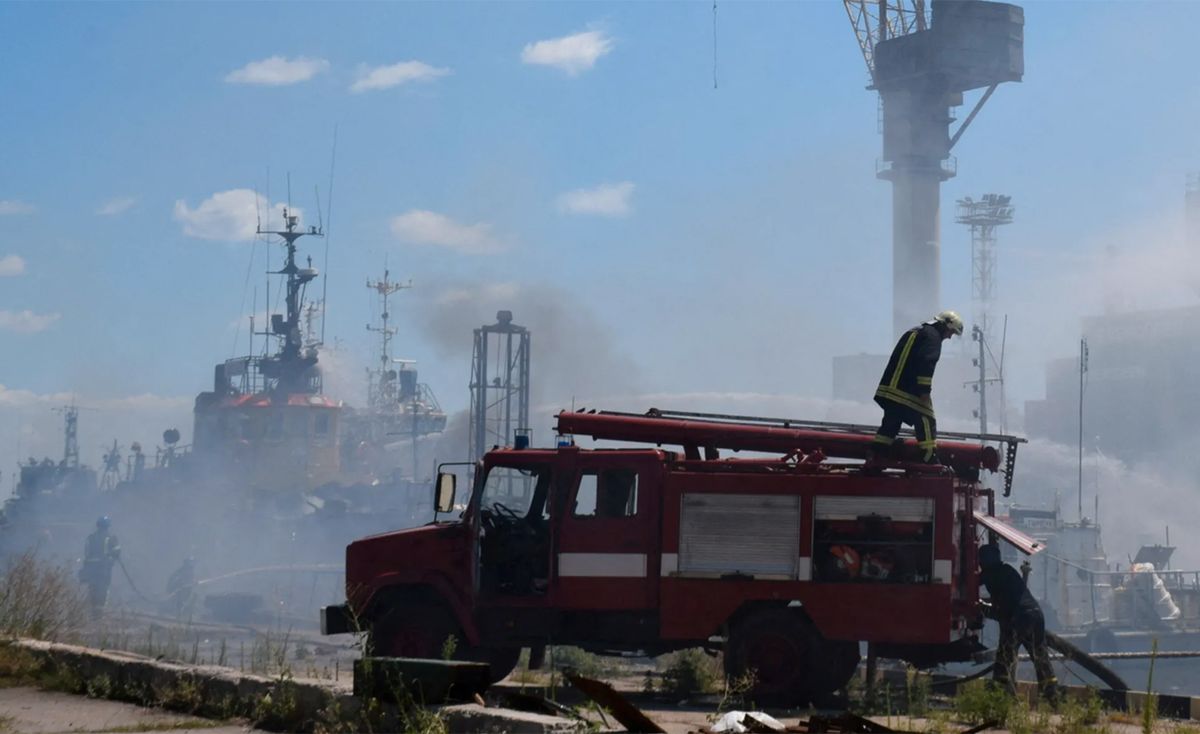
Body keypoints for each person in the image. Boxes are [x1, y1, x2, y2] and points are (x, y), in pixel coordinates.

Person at [871, 310, 963, 463]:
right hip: (907, 391)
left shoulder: (915, 331)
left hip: (890, 389)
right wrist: (924, 391)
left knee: (891, 422)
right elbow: (927, 363)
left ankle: (876, 454)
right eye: (951, 332)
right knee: (927, 417)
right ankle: (929, 458)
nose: (949, 336)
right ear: (946, 325)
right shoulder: (933, 338)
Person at [979, 543, 1059, 704]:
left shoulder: (989, 574)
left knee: (1004, 659)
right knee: (1041, 660)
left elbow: (971, 584)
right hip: (1036, 615)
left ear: (983, 561)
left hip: (1019, 618)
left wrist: (978, 606)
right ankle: (1053, 699)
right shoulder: (1008, 570)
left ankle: (1002, 700)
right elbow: (1005, 600)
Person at [79, 516, 121, 617]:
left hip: (90, 569)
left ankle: (93, 612)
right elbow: (117, 551)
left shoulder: (90, 537)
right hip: (103, 569)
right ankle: (99, 613)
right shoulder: (111, 537)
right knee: (103, 589)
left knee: (93, 588)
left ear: (98, 525)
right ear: (108, 526)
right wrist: (112, 558)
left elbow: (86, 553)